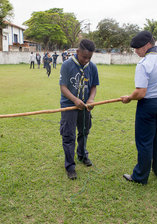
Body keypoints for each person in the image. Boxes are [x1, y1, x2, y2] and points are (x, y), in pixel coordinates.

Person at [120, 31, 157, 185]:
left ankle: (140, 176)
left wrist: (129, 98)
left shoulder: (145, 63)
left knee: (145, 141)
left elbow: (141, 92)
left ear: (146, 46)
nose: (136, 51)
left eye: (137, 48)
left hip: (149, 104)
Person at [59, 39, 99, 180]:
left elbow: (93, 86)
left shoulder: (92, 67)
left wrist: (91, 99)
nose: (86, 60)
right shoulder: (67, 65)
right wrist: (75, 100)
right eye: (84, 57)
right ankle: (70, 166)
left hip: (85, 107)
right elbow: (63, 87)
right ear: (77, 52)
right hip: (69, 106)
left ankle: (82, 155)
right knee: (69, 135)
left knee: (84, 131)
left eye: (89, 57)